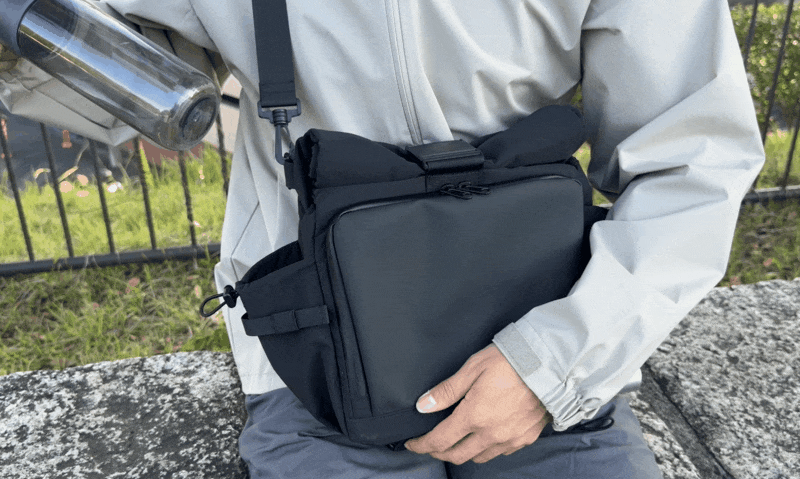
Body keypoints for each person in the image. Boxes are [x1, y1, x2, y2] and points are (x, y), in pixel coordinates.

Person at [0, 0, 765, 477]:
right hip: (317, 360)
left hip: (550, 333)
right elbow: (97, 51)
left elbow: (692, 155)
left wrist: (557, 364)